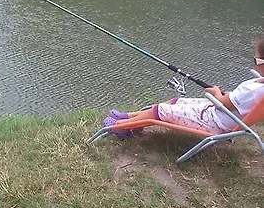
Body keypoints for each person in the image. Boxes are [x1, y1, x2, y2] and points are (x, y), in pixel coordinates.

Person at [105, 38, 264, 139]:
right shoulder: (259, 85)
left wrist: (216, 92)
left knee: (161, 110)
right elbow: (236, 101)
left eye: (255, 60)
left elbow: (222, 103)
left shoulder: (254, 91)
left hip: (214, 122)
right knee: (175, 101)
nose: (254, 63)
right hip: (218, 115)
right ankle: (130, 118)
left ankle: (122, 127)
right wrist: (226, 95)